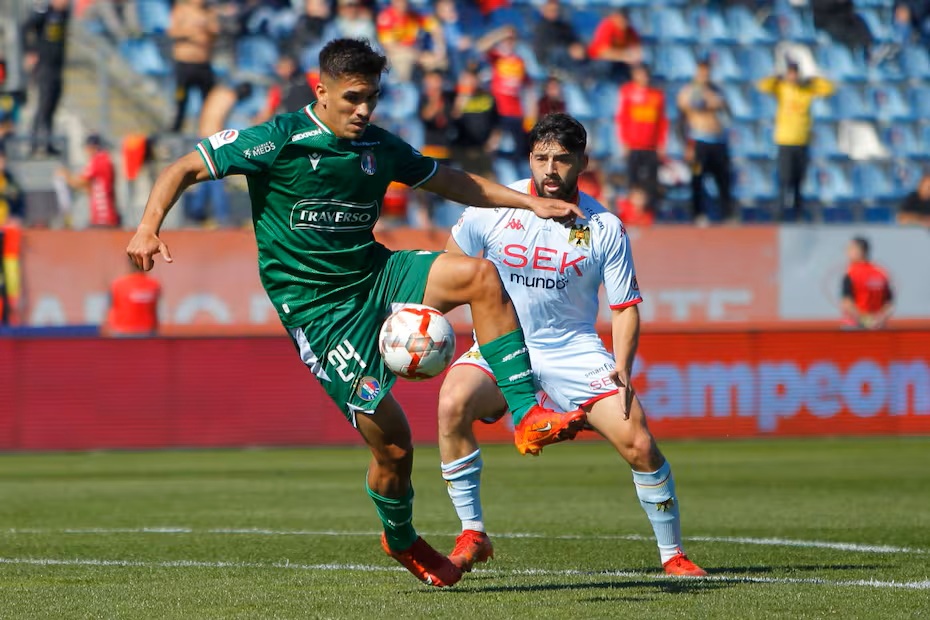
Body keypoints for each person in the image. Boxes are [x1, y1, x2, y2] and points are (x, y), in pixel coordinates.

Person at [125, 38, 586, 588]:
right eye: (353, 98)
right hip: (320, 313)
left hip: (375, 274)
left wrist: (529, 202)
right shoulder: (276, 140)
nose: (364, 110)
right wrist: (149, 226)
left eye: (372, 98)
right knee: (393, 444)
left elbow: (452, 181)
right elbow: (182, 168)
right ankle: (401, 539)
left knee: (480, 276)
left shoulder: (379, 146)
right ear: (321, 91)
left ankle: (527, 415)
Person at [436, 113, 706, 578]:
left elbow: (624, 307)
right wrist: (423, 321)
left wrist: (622, 366)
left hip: (574, 350)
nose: (550, 170)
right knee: (451, 403)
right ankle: (473, 533)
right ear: (529, 160)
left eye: (562, 159)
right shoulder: (492, 208)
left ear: (582, 161)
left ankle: (673, 554)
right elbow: (447, 269)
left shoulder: (605, 226)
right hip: (500, 345)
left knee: (639, 442)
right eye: (541, 158)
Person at [757, 60, 834, 222]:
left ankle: (798, 215)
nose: (793, 76)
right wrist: (777, 77)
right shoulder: (782, 88)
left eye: (795, 72)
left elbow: (829, 89)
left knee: (799, 182)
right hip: (785, 142)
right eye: (790, 72)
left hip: (802, 142)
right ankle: (779, 216)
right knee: (785, 180)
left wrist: (813, 80)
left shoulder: (806, 90)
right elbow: (763, 86)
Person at [677, 56, 733, 224]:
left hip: (718, 142)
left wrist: (719, 103)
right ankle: (698, 214)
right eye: (701, 69)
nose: (705, 73)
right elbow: (683, 118)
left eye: (707, 69)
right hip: (698, 143)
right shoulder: (689, 91)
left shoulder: (717, 90)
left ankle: (726, 215)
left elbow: (727, 112)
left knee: (723, 180)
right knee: (697, 178)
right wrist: (687, 145)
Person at [22, 0, 70, 157]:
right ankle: (33, 143)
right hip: (45, 66)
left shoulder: (64, 14)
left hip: (57, 66)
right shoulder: (44, 12)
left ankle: (48, 143)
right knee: (43, 105)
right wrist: (30, 51)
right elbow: (24, 27)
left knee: (52, 106)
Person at [616, 64, 667, 206]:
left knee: (651, 180)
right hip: (633, 145)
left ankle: (650, 209)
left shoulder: (657, 95)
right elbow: (623, 118)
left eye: (644, 74)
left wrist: (661, 143)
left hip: (651, 145)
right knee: (633, 180)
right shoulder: (627, 92)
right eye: (639, 74)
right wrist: (624, 141)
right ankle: (632, 210)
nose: (643, 77)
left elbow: (661, 122)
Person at [168, 0, 220, 133]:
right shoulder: (181, 9)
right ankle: (176, 128)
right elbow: (173, 32)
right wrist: (192, 33)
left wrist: (206, 26)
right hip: (185, 65)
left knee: (209, 101)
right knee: (181, 98)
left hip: (203, 65)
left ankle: (207, 131)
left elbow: (215, 31)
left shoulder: (209, 12)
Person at [59, 134, 120, 228]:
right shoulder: (105, 159)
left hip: (103, 217)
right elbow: (90, 187)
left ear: (93, 147)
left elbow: (78, 183)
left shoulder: (98, 160)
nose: (86, 151)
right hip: (103, 216)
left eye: (87, 147)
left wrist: (65, 175)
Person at [841, 237, 893, 329]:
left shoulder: (851, 274)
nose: (847, 252)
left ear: (861, 251)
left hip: (855, 326)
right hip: (878, 326)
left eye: (850, 249)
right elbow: (889, 303)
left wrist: (864, 321)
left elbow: (847, 303)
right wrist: (879, 320)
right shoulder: (881, 272)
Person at [105, 258, 161, 337]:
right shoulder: (154, 284)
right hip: (145, 332)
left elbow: (110, 309)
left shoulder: (117, 284)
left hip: (124, 332)